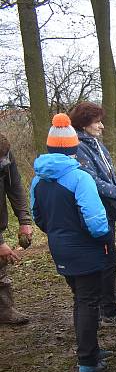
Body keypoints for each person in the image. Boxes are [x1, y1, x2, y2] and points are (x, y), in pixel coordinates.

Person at [30, 114, 115, 372]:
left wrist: (57, 233)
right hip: (85, 248)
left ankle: (91, 351)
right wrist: (103, 239)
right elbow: (96, 219)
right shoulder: (79, 178)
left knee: (80, 298)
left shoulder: (37, 179)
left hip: (59, 246)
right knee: (88, 302)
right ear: (73, 147)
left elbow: (38, 216)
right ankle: (88, 361)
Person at [70, 101, 116, 327]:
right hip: (95, 213)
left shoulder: (97, 145)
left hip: (109, 210)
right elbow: (93, 182)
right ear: (85, 123)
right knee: (105, 261)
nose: (102, 126)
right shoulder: (78, 147)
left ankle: (107, 307)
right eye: (97, 122)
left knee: (109, 261)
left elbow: (111, 175)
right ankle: (107, 311)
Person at [0, 133, 34, 325]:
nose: (4, 162)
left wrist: (25, 221)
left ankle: (5, 310)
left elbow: (15, 188)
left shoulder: (5, 154)